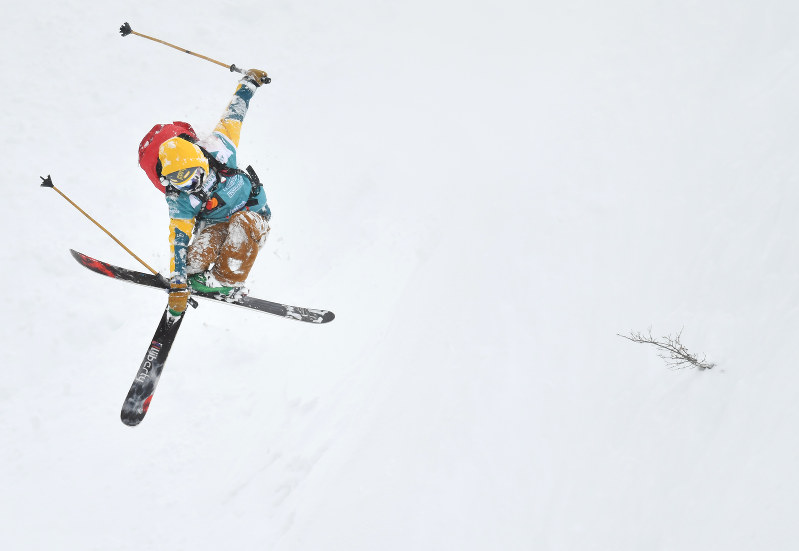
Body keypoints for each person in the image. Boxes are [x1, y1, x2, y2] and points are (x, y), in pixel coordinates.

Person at [137, 69, 272, 317]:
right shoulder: (179, 198)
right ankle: (194, 281)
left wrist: (249, 83)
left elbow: (234, 114)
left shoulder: (220, 149)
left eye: (191, 175)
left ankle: (226, 281)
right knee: (193, 262)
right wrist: (178, 280)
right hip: (216, 226)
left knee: (243, 223)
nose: (187, 184)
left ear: (201, 162)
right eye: (177, 179)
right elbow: (178, 238)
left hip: (253, 217)